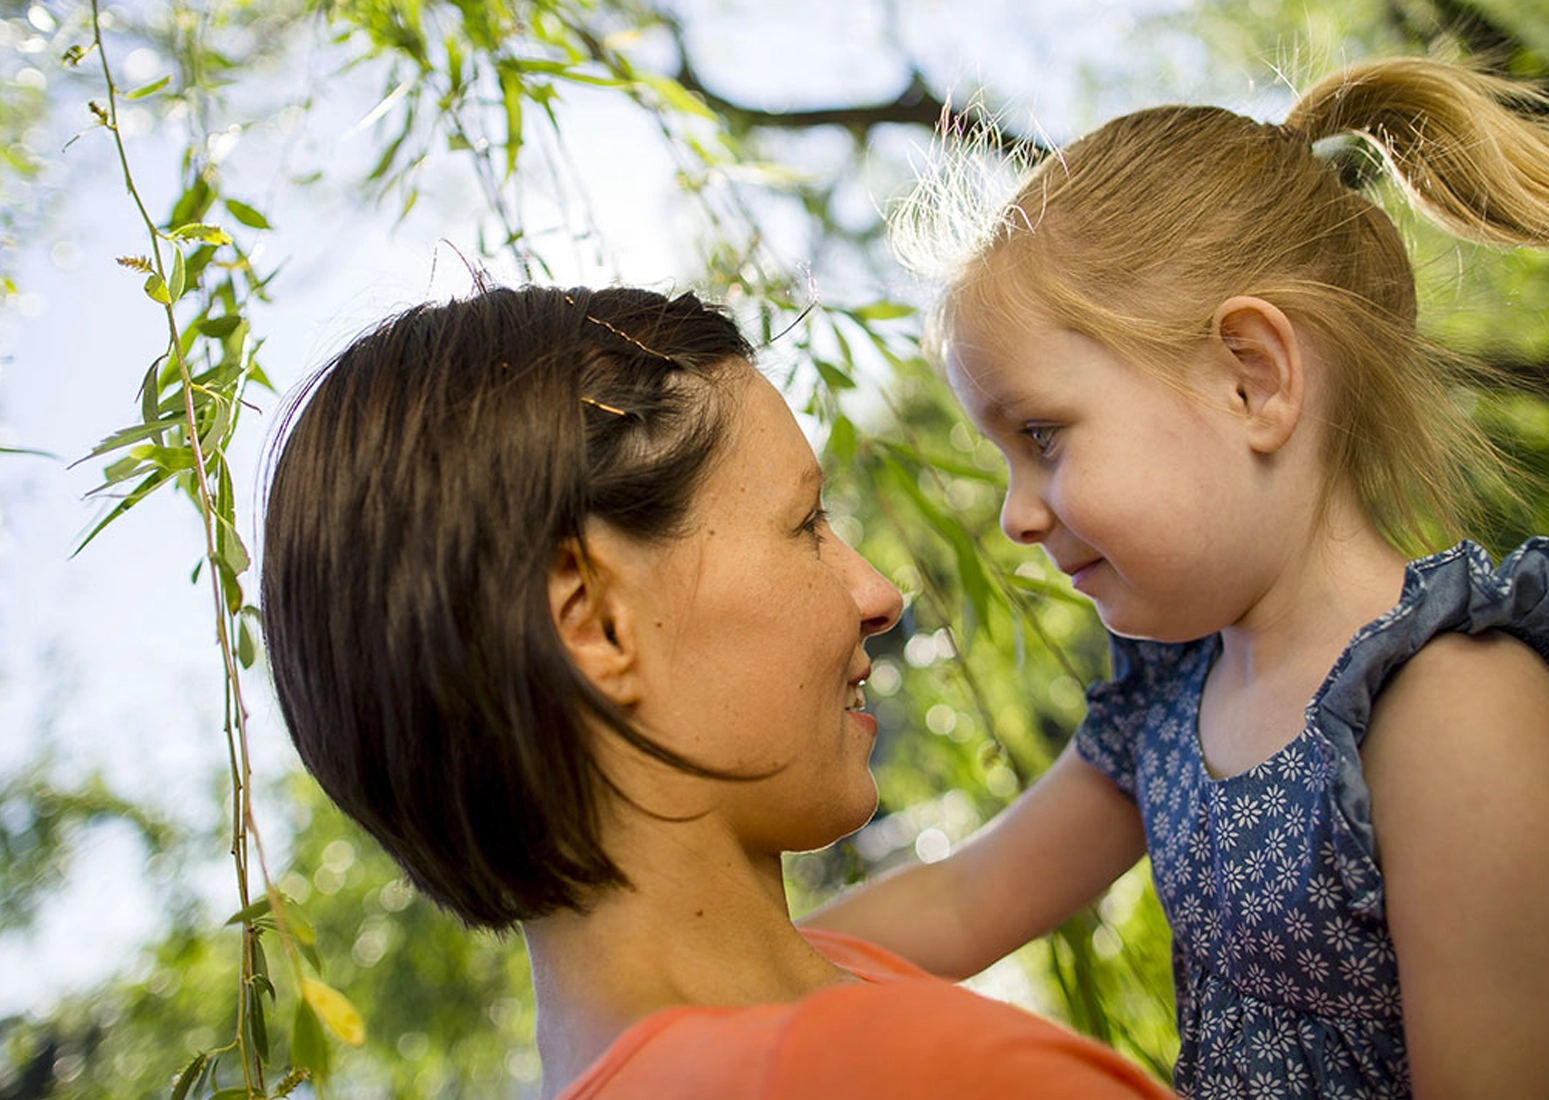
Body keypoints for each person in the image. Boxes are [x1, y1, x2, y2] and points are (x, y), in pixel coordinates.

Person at [805, 56, 1549, 1099]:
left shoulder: (1452, 710)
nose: (1014, 512)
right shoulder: (1169, 697)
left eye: (1042, 435)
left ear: (1249, 378)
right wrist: (679, 973)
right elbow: (958, 901)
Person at [259, 284, 1178, 1099]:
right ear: (595, 622)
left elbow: (974, 890)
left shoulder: (807, 992)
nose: (881, 596)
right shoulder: (924, 1074)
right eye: (805, 524)